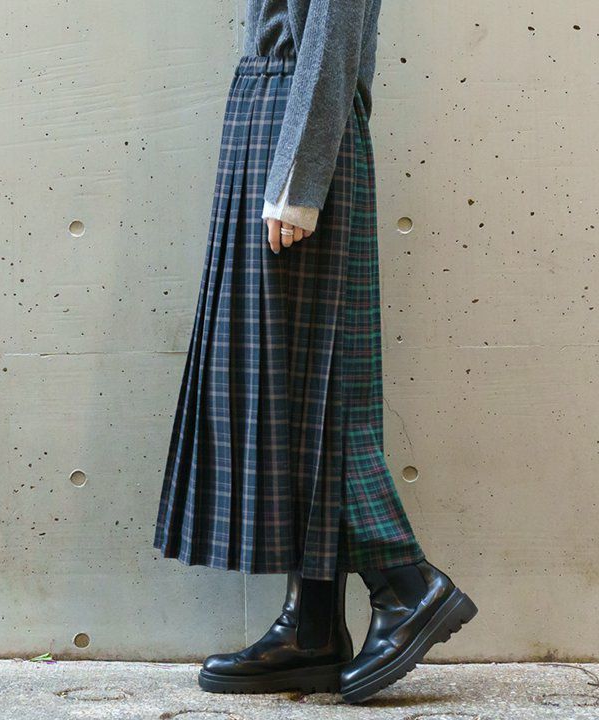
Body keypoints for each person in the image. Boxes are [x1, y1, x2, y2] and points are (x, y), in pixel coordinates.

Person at [153, 0, 478, 704]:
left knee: (316, 395)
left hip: (296, 133)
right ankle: (312, 627)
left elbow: (332, 27)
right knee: (288, 389)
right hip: (269, 116)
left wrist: (299, 178)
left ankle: (407, 585)